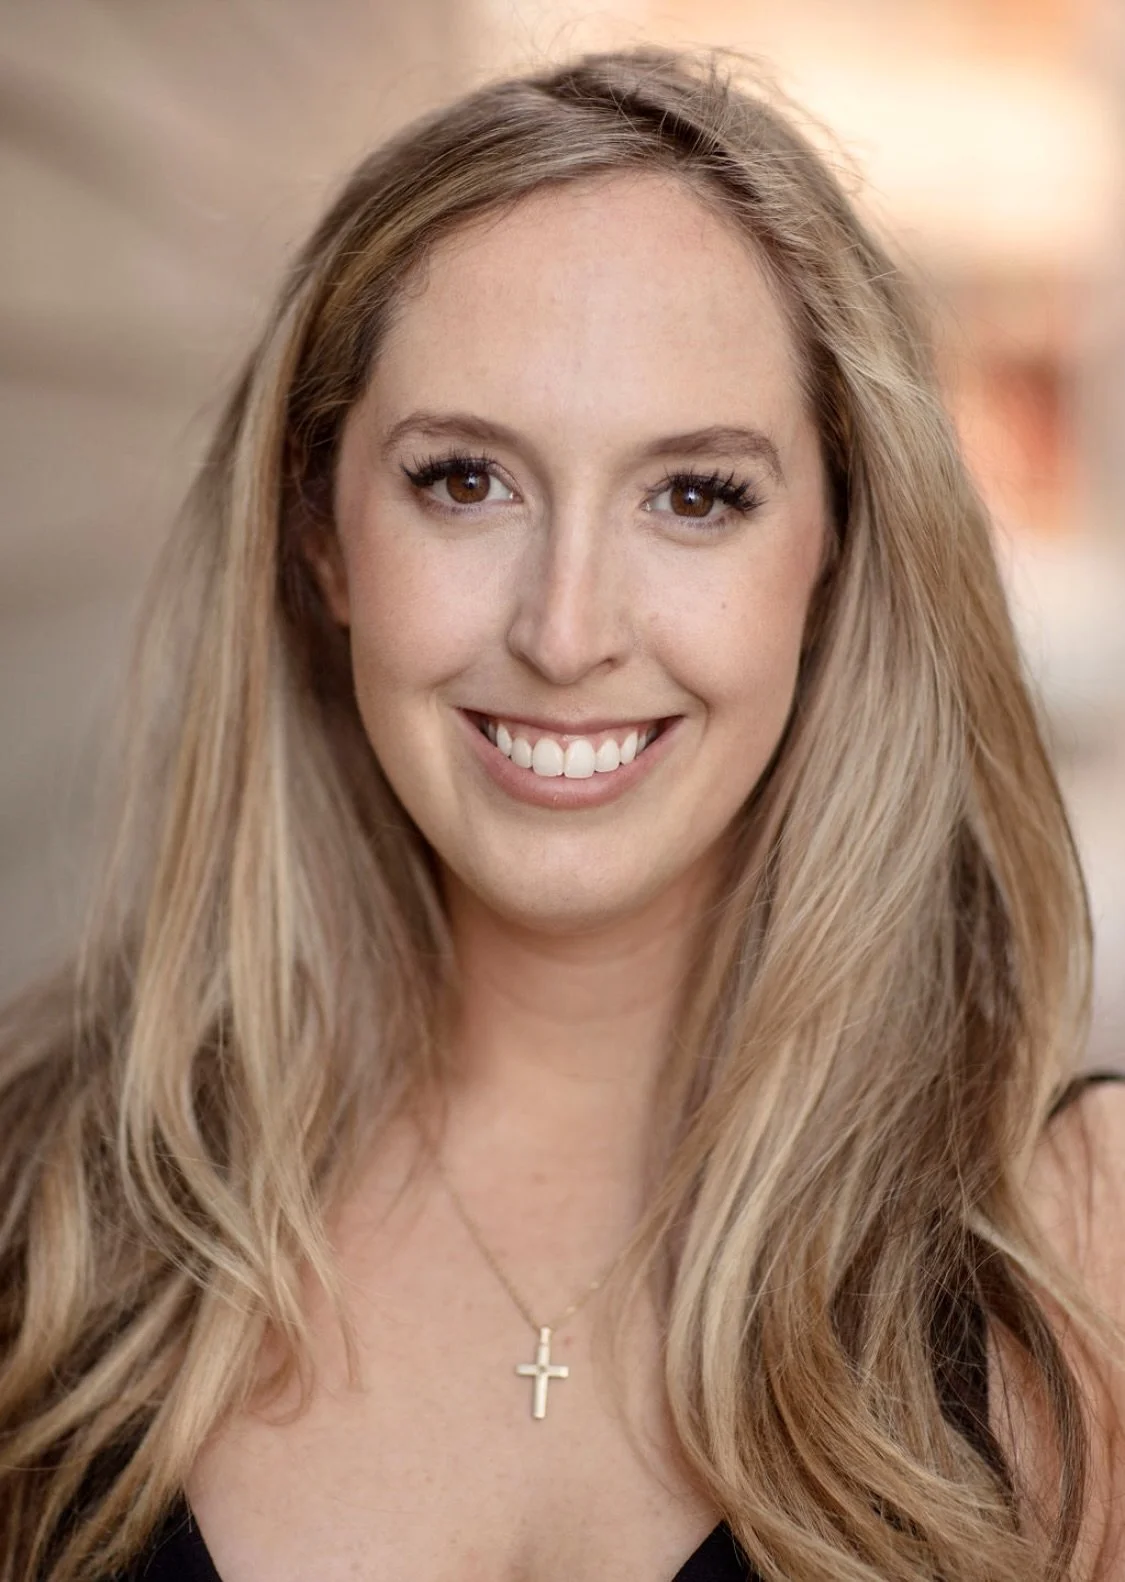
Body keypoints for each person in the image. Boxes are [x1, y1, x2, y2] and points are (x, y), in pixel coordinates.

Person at [1, 44, 1123, 1582]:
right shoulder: (49, 1208)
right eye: (465, 480)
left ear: (837, 560)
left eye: (696, 495)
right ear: (322, 538)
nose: (567, 626)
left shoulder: (1075, 1243)